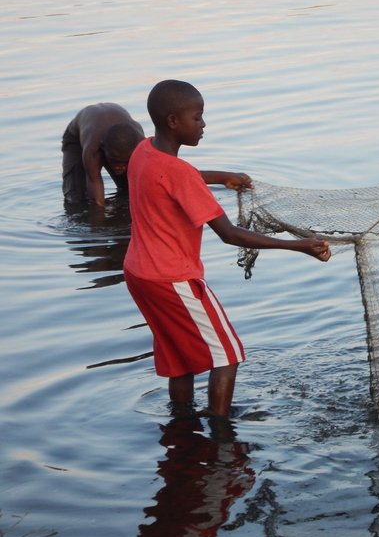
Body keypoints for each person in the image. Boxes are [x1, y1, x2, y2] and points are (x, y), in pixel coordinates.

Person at [123, 79, 331, 418]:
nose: (203, 125)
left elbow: (176, 175)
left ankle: (182, 422)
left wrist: (221, 177)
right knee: (227, 355)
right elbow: (230, 234)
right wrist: (299, 245)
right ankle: (222, 436)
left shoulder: (143, 152)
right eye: (198, 117)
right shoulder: (179, 174)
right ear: (174, 121)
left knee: (178, 358)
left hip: (138, 274)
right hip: (172, 279)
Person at [62, 102, 252, 207]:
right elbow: (97, 194)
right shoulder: (93, 150)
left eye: (123, 163)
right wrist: (99, 232)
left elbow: (172, 174)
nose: (118, 169)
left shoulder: (142, 146)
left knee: (131, 191)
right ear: (103, 152)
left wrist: (226, 177)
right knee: (76, 199)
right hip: (77, 139)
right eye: (114, 163)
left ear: (134, 153)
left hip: (119, 142)